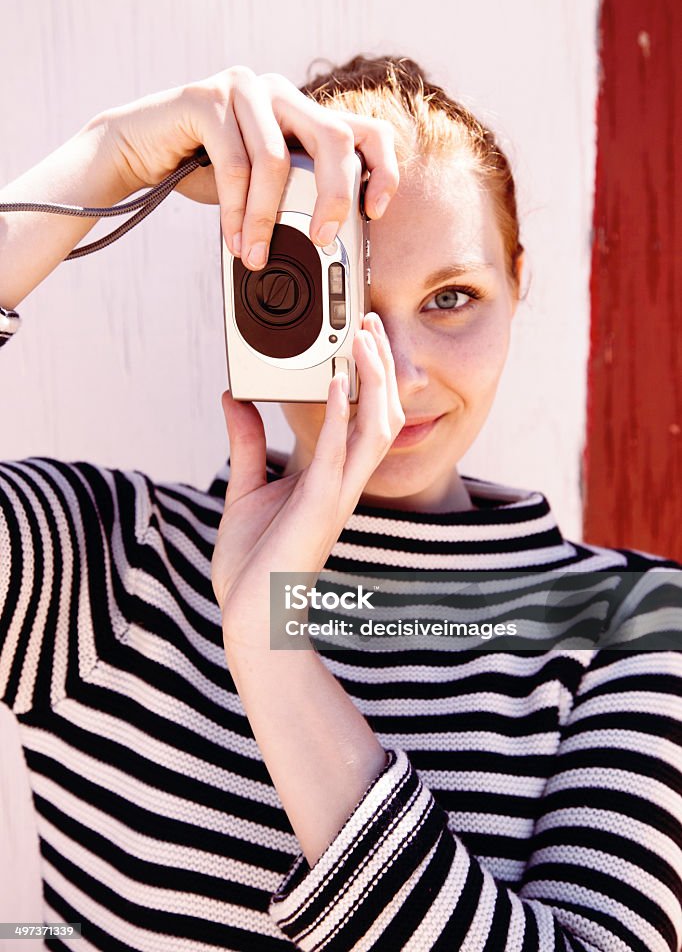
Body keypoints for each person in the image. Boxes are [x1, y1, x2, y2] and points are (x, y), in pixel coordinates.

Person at [0, 56, 680, 952]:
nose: (393, 374)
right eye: (342, 304)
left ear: (518, 284)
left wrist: (273, 658)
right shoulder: (105, 562)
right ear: (255, 306)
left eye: (451, 298)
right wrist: (107, 160)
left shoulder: (630, 623)